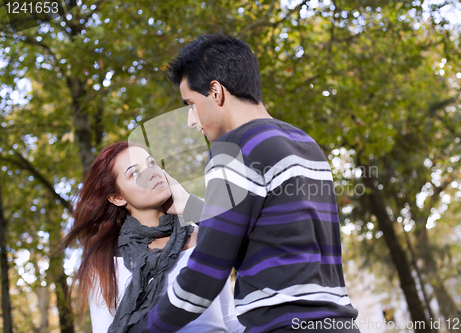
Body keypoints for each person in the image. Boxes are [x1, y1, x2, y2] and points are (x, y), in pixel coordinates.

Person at [129, 33, 360, 332]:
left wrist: (145, 327)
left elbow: (205, 276)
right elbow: (268, 229)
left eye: (190, 103)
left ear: (216, 92)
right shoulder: (305, 143)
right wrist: (190, 205)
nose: (190, 120)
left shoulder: (233, 149)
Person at [61, 141, 245, 333]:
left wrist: (189, 205)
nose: (152, 172)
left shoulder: (203, 237)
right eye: (134, 173)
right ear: (117, 198)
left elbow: (228, 319)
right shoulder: (105, 261)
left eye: (151, 163)